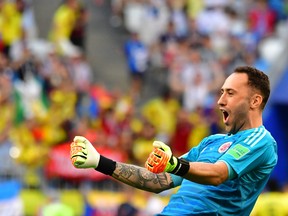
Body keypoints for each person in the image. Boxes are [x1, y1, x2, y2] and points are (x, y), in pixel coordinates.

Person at [70, 66, 278, 215]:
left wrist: (175, 164)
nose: (220, 100)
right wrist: (99, 162)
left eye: (230, 93)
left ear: (255, 101)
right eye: (221, 92)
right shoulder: (211, 142)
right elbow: (156, 181)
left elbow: (218, 174)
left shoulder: (261, 141)